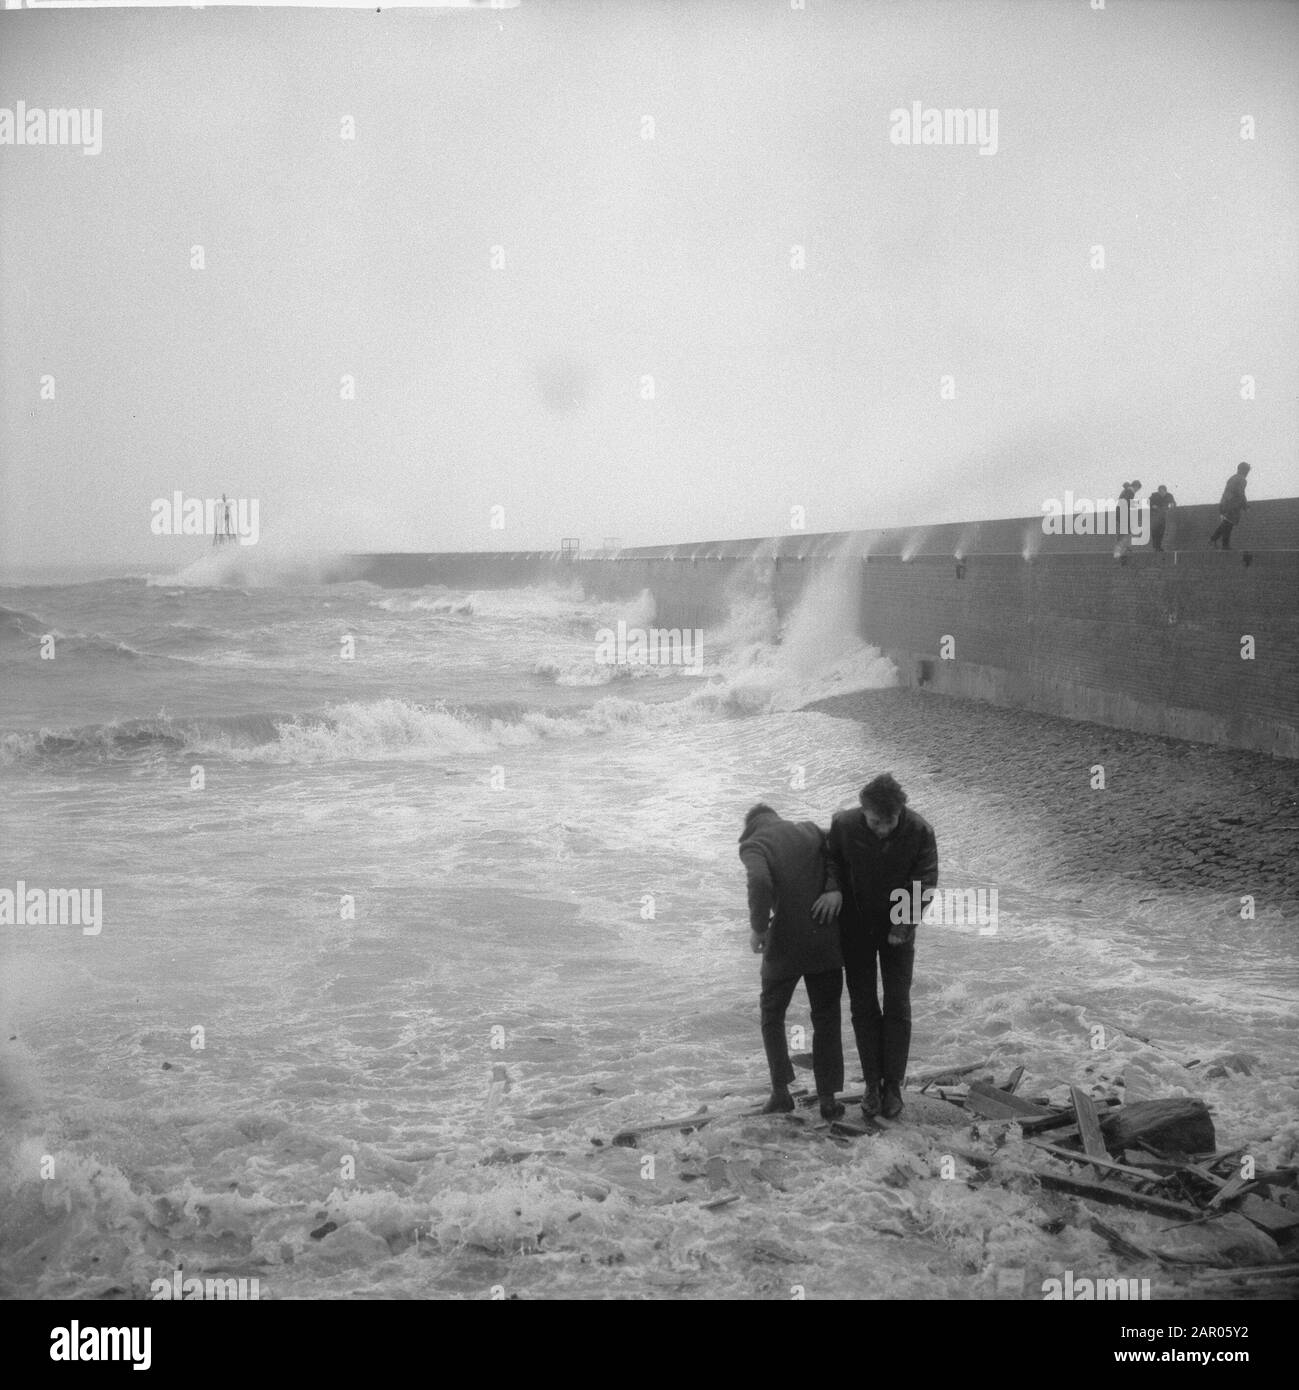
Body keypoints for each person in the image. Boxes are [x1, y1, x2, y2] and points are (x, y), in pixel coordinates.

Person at [814, 774, 937, 1122]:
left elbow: (925, 880)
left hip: (899, 924)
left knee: (897, 1002)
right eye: (874, 822)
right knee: (863, 1004)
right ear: (863, 811)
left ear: (901, 812)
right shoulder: (843, 824)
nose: (882, 829)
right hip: (855, 925)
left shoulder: (919, 830)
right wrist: (832, 887)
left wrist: (903, 923)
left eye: (889, 822)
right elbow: (831, 860)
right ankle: (871, 1083)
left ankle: (893, 1085)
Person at [738, 804, 845, 1120]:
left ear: (750, 826)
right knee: (826, 1017)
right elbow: (836, 854)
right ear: (775, 817)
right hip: (824, 935)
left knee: (772, 1014)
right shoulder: (810, 830)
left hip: (784, 941)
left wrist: (759, 927)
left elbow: (759, 880)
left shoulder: (754, 844)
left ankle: (781, 1092)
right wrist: (833, 888)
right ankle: (827, 1099)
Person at [1209, 463, 1250, 549]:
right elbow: (1240, 493)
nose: (1247, 474)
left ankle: (1213, 539)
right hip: (1232, 504)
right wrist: (1245, 505)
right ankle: (1225, 545)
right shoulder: (1242, 479)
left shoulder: (1232, 478)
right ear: (1244, 471)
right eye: (1247, 471)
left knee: (1226, 523)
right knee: (1229, 524)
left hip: (1224, 502)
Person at [1149, 484, 1176, 552]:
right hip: (1154, 515)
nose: (1161, 493)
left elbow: (1173, 503)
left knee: (1161, 531)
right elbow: (1148, 502)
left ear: (1165, 491)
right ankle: (1156, 547)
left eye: (1162, 492)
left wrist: (1172, 504)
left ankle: (1159, 546)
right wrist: (1152, 506)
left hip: (1163, 515)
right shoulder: (1154, 495)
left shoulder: (1169, 496)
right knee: (1155, 531)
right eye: (1159, 492)